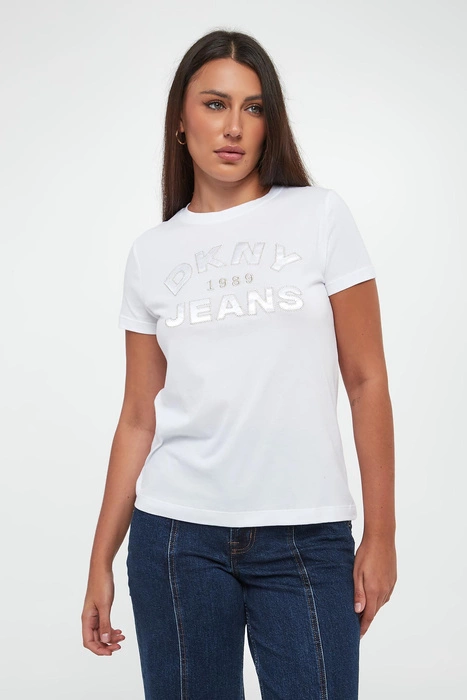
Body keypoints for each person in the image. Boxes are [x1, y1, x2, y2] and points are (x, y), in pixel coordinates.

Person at [81, 28, 397, 700]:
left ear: (269, 122)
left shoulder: (319, 216)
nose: (233, 126)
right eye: (215, 104)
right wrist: (100, 558)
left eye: (253, 108)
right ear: (180, 120)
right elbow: (138, 417)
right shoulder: (151, 254)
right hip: (176, 540)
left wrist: (382, 532)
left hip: (306, 538)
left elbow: (367, 380)